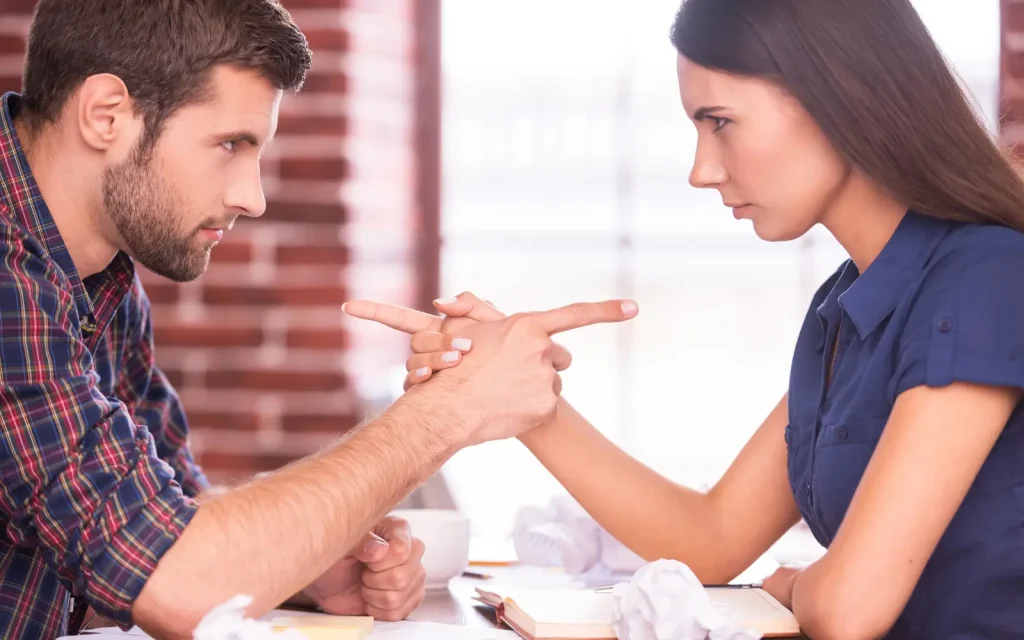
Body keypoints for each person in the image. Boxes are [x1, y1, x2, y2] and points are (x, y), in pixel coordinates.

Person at [343, 0, 1024, 638]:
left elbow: (850, 607)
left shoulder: (987, 275)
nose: (701, 170)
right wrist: (531, 404)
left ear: (838, 96)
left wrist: (793, 586)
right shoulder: (841, 309)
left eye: (719, 121)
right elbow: (712, 540)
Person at [0, 1, 638, 638]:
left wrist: (299, 563)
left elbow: (149, 528)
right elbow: (176, 583)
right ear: (105, 114)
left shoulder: (98, 276)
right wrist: (450, 411)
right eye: (229, 144)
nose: (251, 196)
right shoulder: (9, 270)